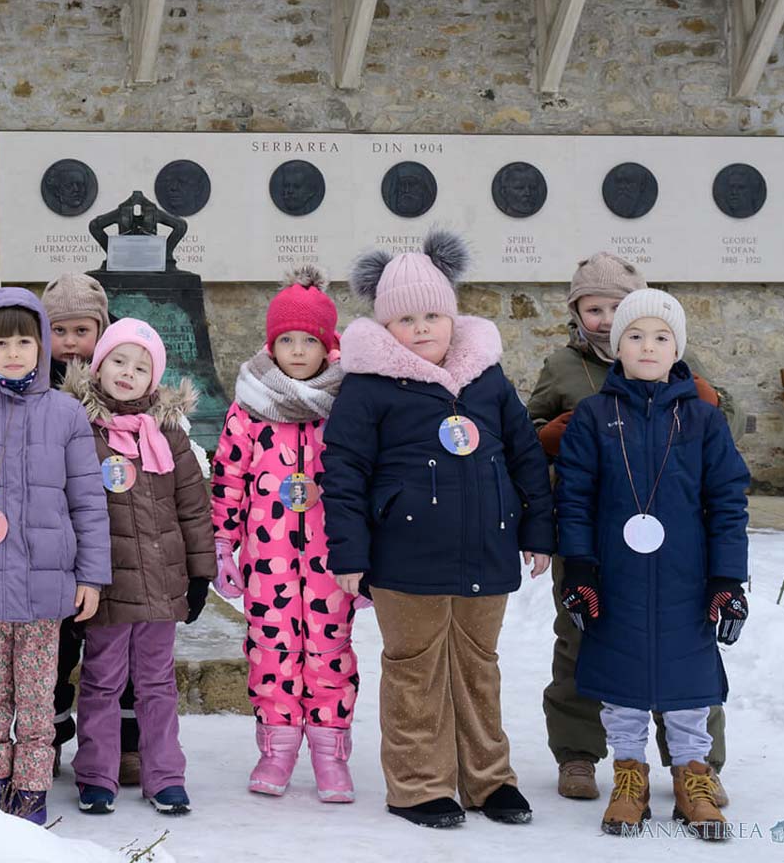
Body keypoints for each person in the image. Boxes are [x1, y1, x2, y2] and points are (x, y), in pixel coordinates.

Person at [320, 231, 554, 831]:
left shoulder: (488, 380)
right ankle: (419, 784)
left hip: (487, 546)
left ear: (452, 316)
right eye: (405, 318)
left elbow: (526, 454)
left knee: (479, 664)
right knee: (415, 668)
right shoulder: (368, 387)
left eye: (432, 314)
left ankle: (487, 778)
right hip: (406, 556)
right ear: (383, 323)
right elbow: (343, 472)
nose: (422, 328)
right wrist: (349, 552)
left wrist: (538, 530)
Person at [528, 252, 737, 804]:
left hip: (675, 546)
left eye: (615, 306)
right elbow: (528, 435)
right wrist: (556, 433)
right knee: (581, 641)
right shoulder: (563, 367)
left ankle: (695, 760)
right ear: (579, 315)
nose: (605, 318)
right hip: (595, 540)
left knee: (684, 642)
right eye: (593, 308)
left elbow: (713, 431)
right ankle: (579, 751)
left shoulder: (665, 347)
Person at [0, 289, 110, 825]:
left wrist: (92, 577)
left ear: (42, 346)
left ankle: (31, 790)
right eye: (0, 342)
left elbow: (87, 501)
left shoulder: (66, 413)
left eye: (24, 341)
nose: (13, 352)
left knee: (36, 702)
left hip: (45, 589)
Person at [210, 267, 356, 801]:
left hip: (330, 558)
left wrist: (366, 554)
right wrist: (224, 542)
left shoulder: (343, 407)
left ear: (328, 346)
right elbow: (227, 477)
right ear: (271, 345)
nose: (297, 350)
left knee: (329, 651)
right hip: (266, 555)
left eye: (309, 341)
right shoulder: (249, 408)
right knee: (270, 652)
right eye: (287, 340)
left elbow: (360, 479)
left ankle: (330, 754)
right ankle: (276, 750)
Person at [62, 318, 212, 816]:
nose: (128, 373)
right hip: (107, 587)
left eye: (141, 366)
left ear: (155, 378)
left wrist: (199, 575)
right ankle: (97, 775)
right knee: (102, 682)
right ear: (99, 365)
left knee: (157, 684)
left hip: (162, 585)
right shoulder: (79, 429)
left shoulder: (168, 436)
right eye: (119, 361)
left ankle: (164, 774)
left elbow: (192, 509)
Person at [40, 271, 134, 776]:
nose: (72, 342)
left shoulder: (122, 376)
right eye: (61, 332)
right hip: (58, 536)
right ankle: (49, 736)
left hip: (117, 532)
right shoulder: (36, 385)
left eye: (83, 330)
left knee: (120, 645)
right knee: (56, 647)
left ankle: (125, 741)